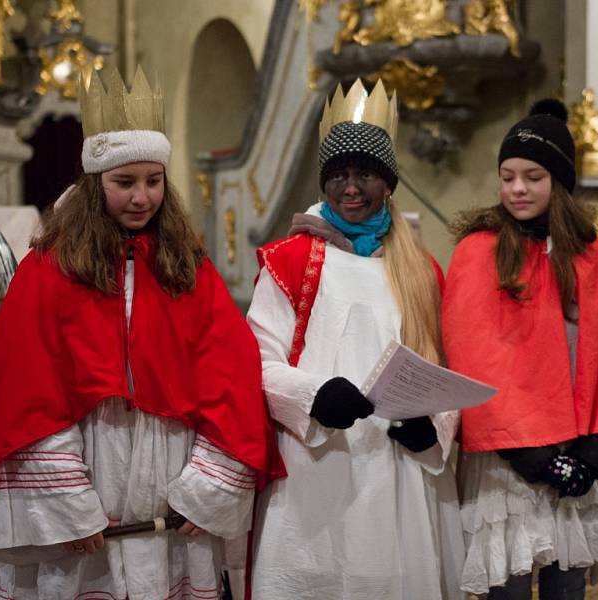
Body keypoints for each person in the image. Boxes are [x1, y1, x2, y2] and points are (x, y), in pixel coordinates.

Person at [0, 66, 284, 600]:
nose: (140, 197)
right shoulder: (50, 267)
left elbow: (231, 374)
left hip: (172, 467)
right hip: (85, 460)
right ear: (93, 183)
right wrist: (68, 502)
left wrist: (208, 485)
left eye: (153, 181)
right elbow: (25, 387)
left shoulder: (186, 267)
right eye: (123, 183)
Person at [246, 79, 465, 599]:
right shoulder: (290, 260)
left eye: (365, 174)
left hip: (400, 471)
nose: (350, 187)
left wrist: (434, 428)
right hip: (317, 459)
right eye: (339, 174)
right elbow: (257, 359)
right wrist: (312, 395)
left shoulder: (420, 268)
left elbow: (443, 365)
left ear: (388, 183)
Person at [442, 100, 598, 599]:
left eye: (533, 177)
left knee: (567, 586)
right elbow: (472, 351)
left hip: (580, 449)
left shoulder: (597, 257)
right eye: (508, 176)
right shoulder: (479, 251)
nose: (517, 188)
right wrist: (533, 458)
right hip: (511, 459)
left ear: (558, 182)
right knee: (510, 588)